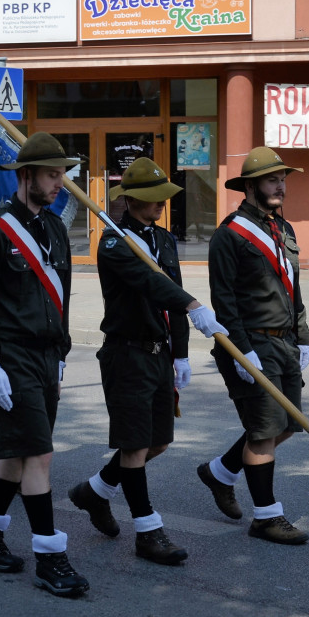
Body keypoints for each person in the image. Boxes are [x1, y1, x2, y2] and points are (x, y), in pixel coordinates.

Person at [66, 158, 225, 565]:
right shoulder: (115, 242)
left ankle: (95, 491)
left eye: (163, 199)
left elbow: (173, 290)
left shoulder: (164, 240)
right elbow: (153, 284)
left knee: (157, 443)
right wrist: (194, 305)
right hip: (127, 353)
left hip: (159, 352)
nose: (161, 206)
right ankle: (148, 531)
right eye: (154, 200)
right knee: (135, 446)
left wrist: (184, 353)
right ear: (132, 199)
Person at [0, 132, 88, 597]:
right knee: (40, 454)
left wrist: (62, 349)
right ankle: (51, 559)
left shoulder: (54, 227)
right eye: (53, 175)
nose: (61, 183)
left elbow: (62, 296)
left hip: (44, 356)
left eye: (62, 174)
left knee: (14, 454)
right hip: (9, 357)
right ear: (26, 176)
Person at [196, 147, 309, 545]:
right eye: (271, 180)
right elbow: (223, 300)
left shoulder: (285, 230)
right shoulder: (230, 235)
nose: (280, 186)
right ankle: (266, 517)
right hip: (252, 344)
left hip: (284, 343)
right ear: (249, 186)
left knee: (286, 425)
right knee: (263, 433)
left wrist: (304, 336)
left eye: (282, 179)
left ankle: (221, 472)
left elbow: (293, 290)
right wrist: (242, 352)